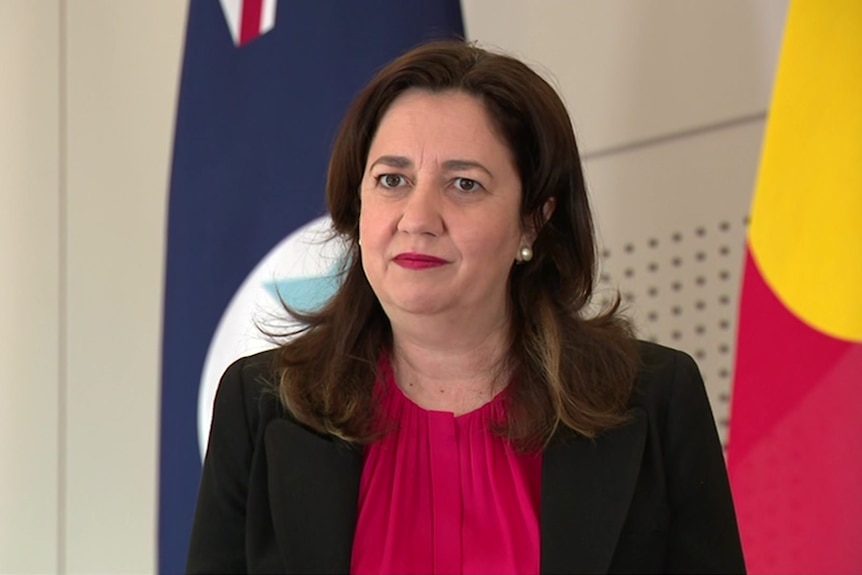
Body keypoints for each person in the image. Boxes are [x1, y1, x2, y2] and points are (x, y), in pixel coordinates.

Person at [186, 39, 745, 574]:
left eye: (464, 184)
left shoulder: (653, 399)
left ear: (534, 218)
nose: (418, 217)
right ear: (358, 207)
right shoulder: (261, 407)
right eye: (392, 179)